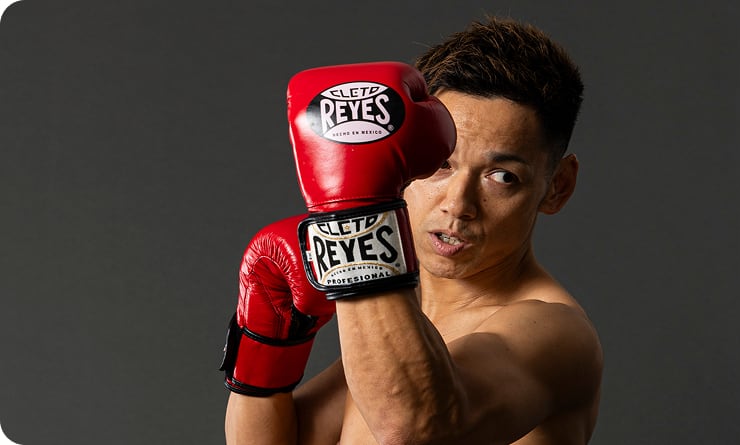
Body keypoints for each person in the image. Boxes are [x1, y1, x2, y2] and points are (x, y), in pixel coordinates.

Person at [221, 17, 603, 445]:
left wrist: (353, 225)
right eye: (441, 164)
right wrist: (268, 344)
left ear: (558, 186)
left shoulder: (558, 334)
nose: (458, 204)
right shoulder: (400, 332)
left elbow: (416, 426)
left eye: (502, 177)